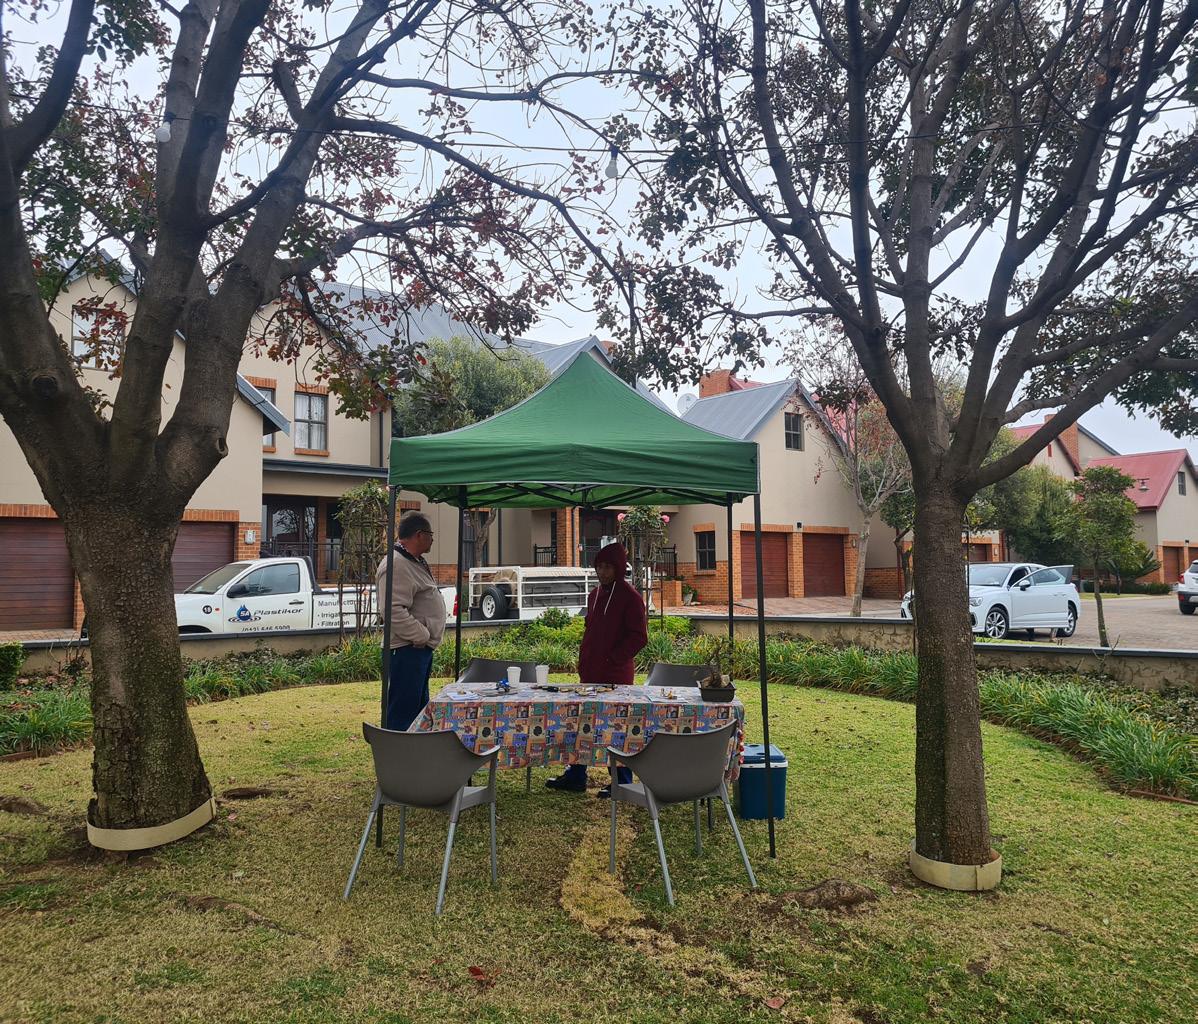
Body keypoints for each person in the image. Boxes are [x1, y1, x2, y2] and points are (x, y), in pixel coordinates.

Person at [546, 541, 648, 797]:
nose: (602, 572)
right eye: (599, 567)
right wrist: (585, 659)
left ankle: (622, 781)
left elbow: (639, 637)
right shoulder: (594, 595)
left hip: (616, 675)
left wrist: (613, 659)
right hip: (589, 673)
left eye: (607, 567)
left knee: (618, 727)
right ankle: (576, 775)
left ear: (618, 568)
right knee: (581, 723)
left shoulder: (631, 598)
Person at [376, 511, 446, 731]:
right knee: (403, 712)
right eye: (430, 535)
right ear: (419, 535)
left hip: (417, 649)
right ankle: (397, 749)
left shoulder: (412, 561)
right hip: (407, 649)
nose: (432, 539)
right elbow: (392, 610)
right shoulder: (396, 564)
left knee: (417, 709)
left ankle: (413, 748)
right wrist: (422, 635)